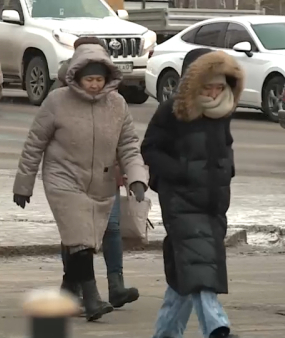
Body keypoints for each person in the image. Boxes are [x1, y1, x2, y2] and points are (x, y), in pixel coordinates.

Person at [12, 42, 148, 322]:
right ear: (77, 77)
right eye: (90, 79)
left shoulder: (117, 105)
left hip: (100, 183)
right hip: (63, 179)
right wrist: (23, 185)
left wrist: (137, 179)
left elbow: (129, 146)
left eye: (99, 79)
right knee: (81, 240)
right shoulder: (57, 101)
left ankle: (67, 293)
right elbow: (34, 143)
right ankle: (92, 298)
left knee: (82, 241)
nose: (95, 85)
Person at [141, 48, 244, 338]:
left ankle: (166, 333)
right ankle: (217, 328)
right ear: (193, 82)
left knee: (185, 272)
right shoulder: (173, 110)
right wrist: (181, 173)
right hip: (181, 201)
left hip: (213, 202)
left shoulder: (223, 111)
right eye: (208, 86)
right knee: (200, 270)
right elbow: (150, 148)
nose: (213, 93)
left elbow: (226, 148)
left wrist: (227, 172)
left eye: (219, 87)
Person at [51, 36, 140, 310]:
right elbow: (43, 136)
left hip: (104, 174)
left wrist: (130, 172)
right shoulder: (62, 91)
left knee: (111, 229)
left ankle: (115, 286)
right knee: (77, 234)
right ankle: (77, 288)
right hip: (70, 177)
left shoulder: (113, 96)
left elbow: (126, 140)